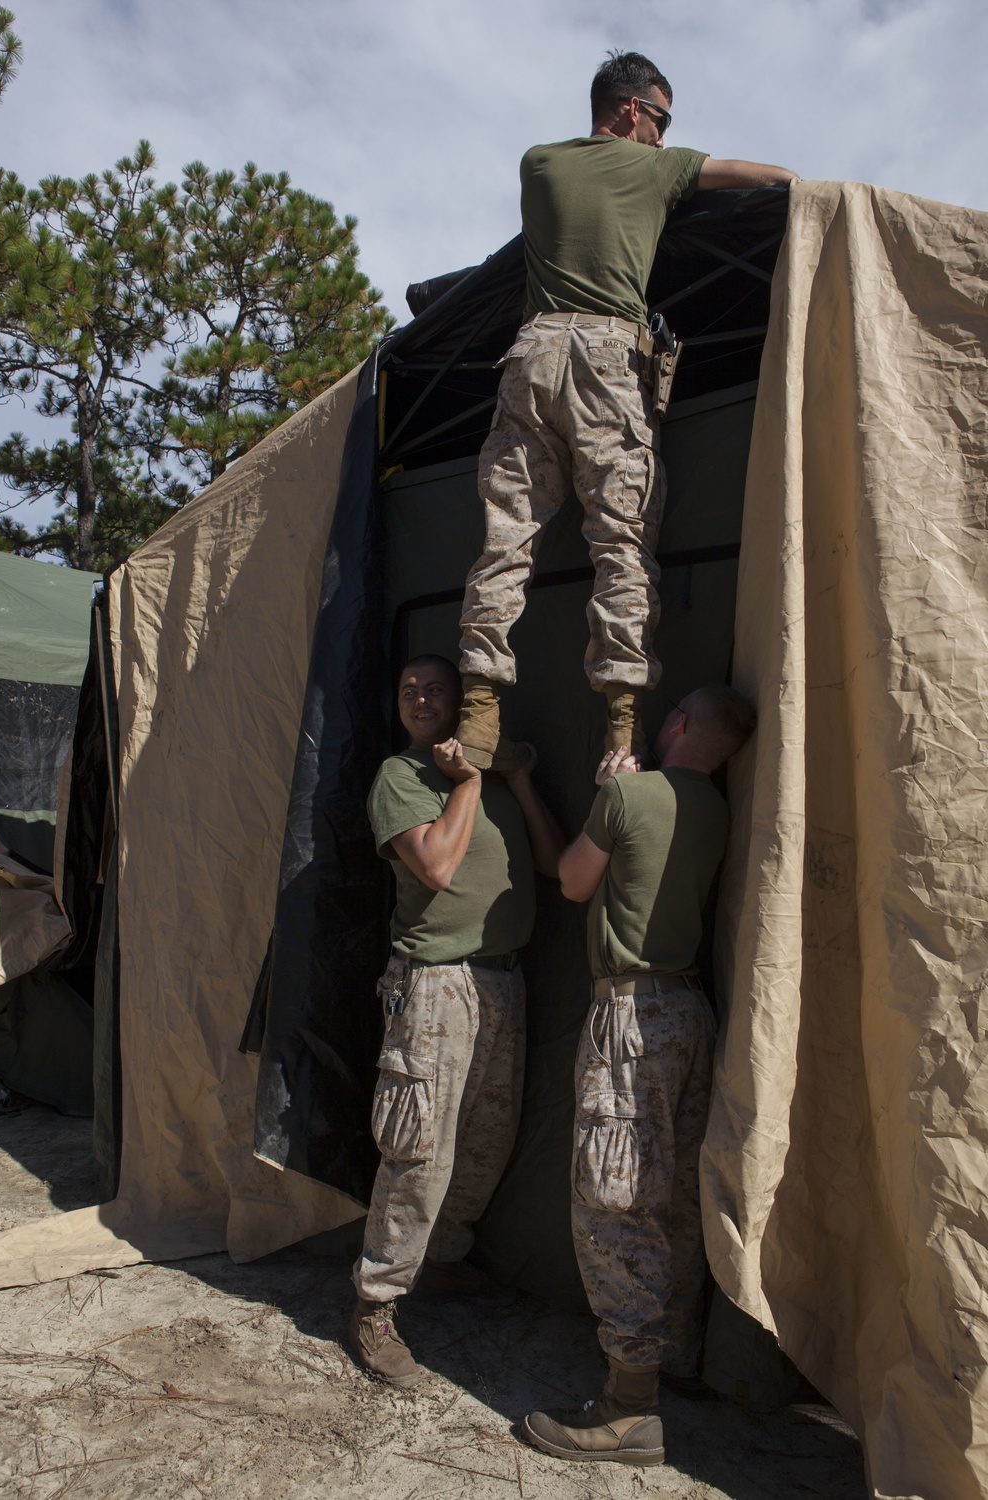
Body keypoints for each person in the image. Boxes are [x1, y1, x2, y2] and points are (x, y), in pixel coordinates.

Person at [456, 52, 796, 770]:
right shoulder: (657, 168)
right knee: (623, 545)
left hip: (530, 354)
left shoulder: (538, 164)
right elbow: (760, 177)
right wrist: (800, 181)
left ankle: (478, 718)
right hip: (609, 361)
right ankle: (622, 732)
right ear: (632, 109)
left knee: (505, 540)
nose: (665, 139)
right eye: (662, 121)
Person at [521, 684, 757, 1466]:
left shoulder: (631, 795)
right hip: (691, 1014)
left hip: (630, 1016)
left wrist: (607, 796)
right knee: (671, 1199)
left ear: (681, 724)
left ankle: (627, 1408)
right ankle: (671, 1361)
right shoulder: (720, 809)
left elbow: (573, 880)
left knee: (613, 1200)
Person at [349, 653, 566, 1388]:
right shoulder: (400, 779)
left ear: (461, 706)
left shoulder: (493, 784)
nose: (418, 697)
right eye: (407, 688)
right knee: (419, 1151)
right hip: (435, 984)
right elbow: (437, 867)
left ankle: (441, 1263)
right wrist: (468, 782)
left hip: (501, 979)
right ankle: (374, 1308)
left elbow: (551, 861)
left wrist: (515, 780)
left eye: (433, 689)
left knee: (485, 1138)